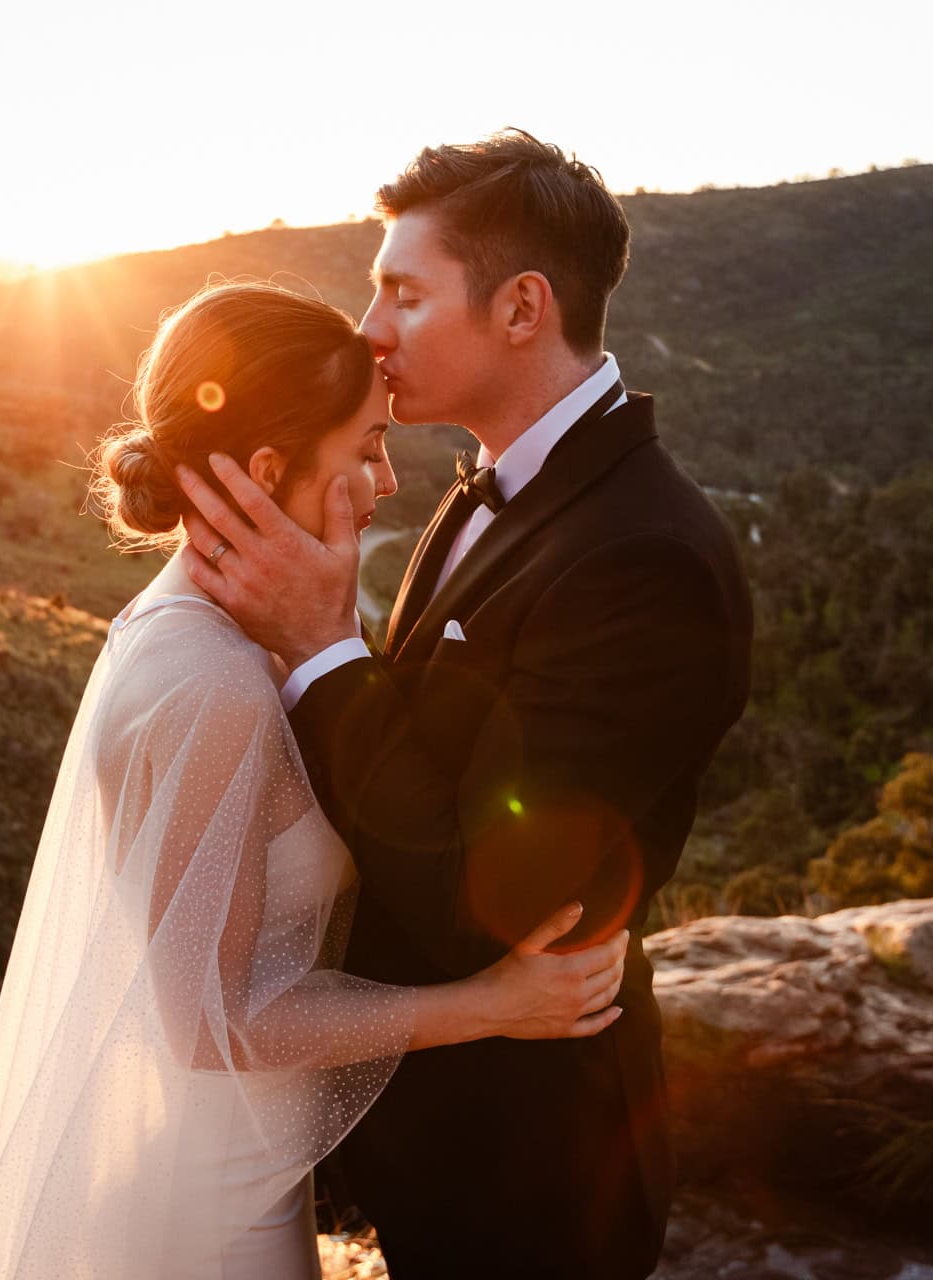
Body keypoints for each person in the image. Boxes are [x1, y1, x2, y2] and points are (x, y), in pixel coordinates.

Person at [0, 281, 632, 1280]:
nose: (387, 479)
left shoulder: (207, 635)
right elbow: (222, 1018)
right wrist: (494, 1000)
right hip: (212, 1223)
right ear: (266, 469)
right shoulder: (214, 684)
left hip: (233, 1174)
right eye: (364, 448)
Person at [176, 130, 754, 1278]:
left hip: (535, 1171)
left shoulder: (645, 559)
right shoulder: (487, 486)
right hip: (437, 1140)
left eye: (402, 291)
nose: (370, 327)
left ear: (523, 308)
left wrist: (321, 644)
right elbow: (429, 743)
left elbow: (483, 896)